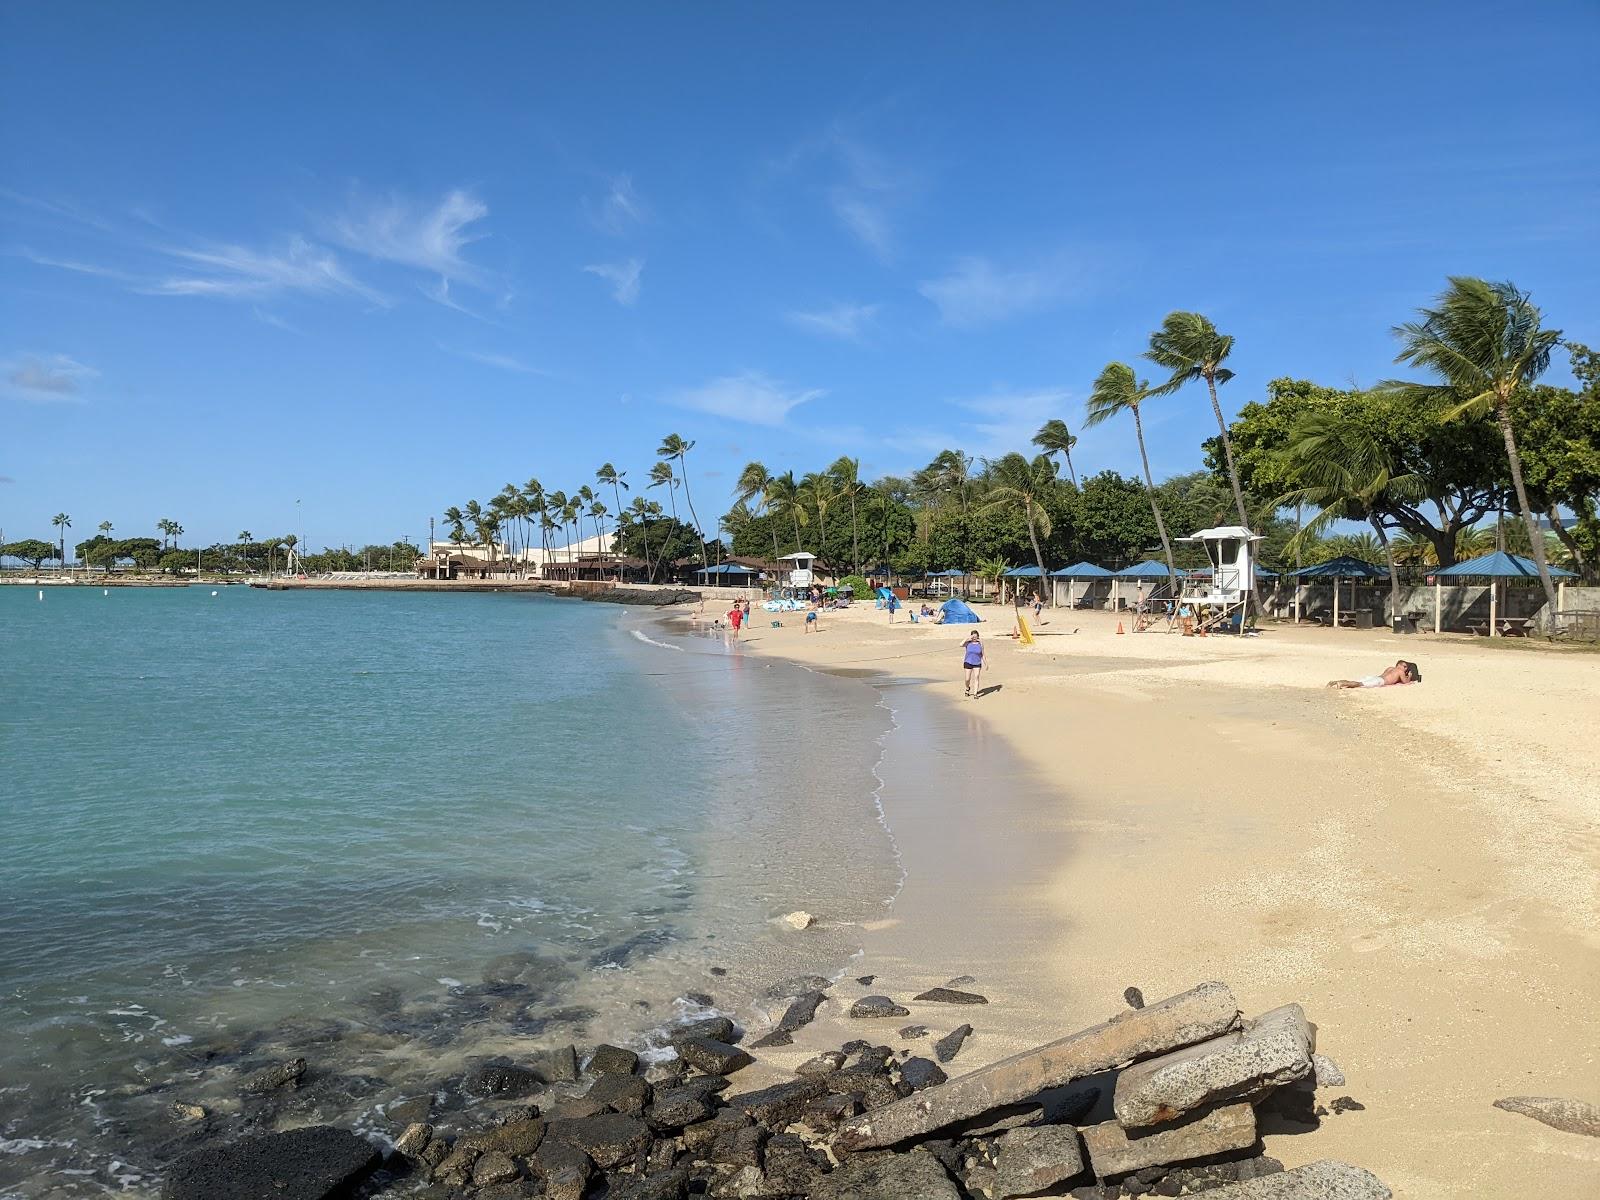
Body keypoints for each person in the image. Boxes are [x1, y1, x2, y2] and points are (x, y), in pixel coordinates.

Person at [1327, 660, 1420, 689]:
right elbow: (1405, 681)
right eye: (1405, 667)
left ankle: (1334, 682)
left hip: (1376, 677)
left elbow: (1384, 675)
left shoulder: (1390, 668)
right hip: (1379, 681)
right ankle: (1341, 683)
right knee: (1359, 684)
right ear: (1400, 665)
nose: (1405, 669)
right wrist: (1410, 676)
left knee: (1357, 682)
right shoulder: (1400, 671)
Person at [962, 631, 984, 697]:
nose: (974, 638)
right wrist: (966, 639)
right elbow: (960, 644)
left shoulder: (980, 643)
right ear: (971, 636)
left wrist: (986, 664)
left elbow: (982, 654)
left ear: (978, 636)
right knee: (967, 679)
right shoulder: (968, 643)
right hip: (968, 662)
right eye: (973, 636)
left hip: (977, 663)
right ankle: (967, 688)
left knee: (976, 677)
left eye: (976, 636)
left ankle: (975, 694)